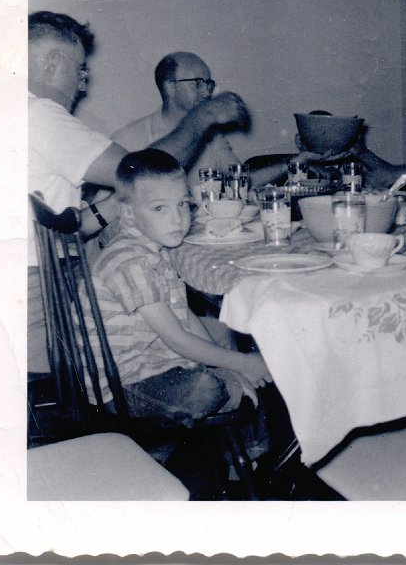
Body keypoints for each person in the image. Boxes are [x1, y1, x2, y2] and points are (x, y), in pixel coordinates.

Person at [28, 11, 250, 372]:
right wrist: (202, 117)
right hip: (40, 303)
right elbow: (142, 173)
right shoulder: (39, 114)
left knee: (207, 332)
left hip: (41, 288)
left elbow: (67, 223)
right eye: (80, 70)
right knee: (217, 336)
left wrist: (120, 203)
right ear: (53, 62)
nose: (82, 85)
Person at [82, 149, 272, 427]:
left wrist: (229, 363)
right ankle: (235, 398)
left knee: (224, 335)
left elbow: (185, 316)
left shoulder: (154, 248)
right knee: (208, 389)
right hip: (122, 386)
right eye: (160, 208)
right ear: (128, 214)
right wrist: (240, 364)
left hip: (149, 361)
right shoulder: (131, 261)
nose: (177, 219)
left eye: (183, 204)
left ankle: (249, 451)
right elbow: (176, 339)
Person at [112, 51, 243, 191]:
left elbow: (241, 179)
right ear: (170, 87)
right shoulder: (128, 139)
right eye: (198, 83)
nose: (207, 92)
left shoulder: (211, 136)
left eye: (208, 84)